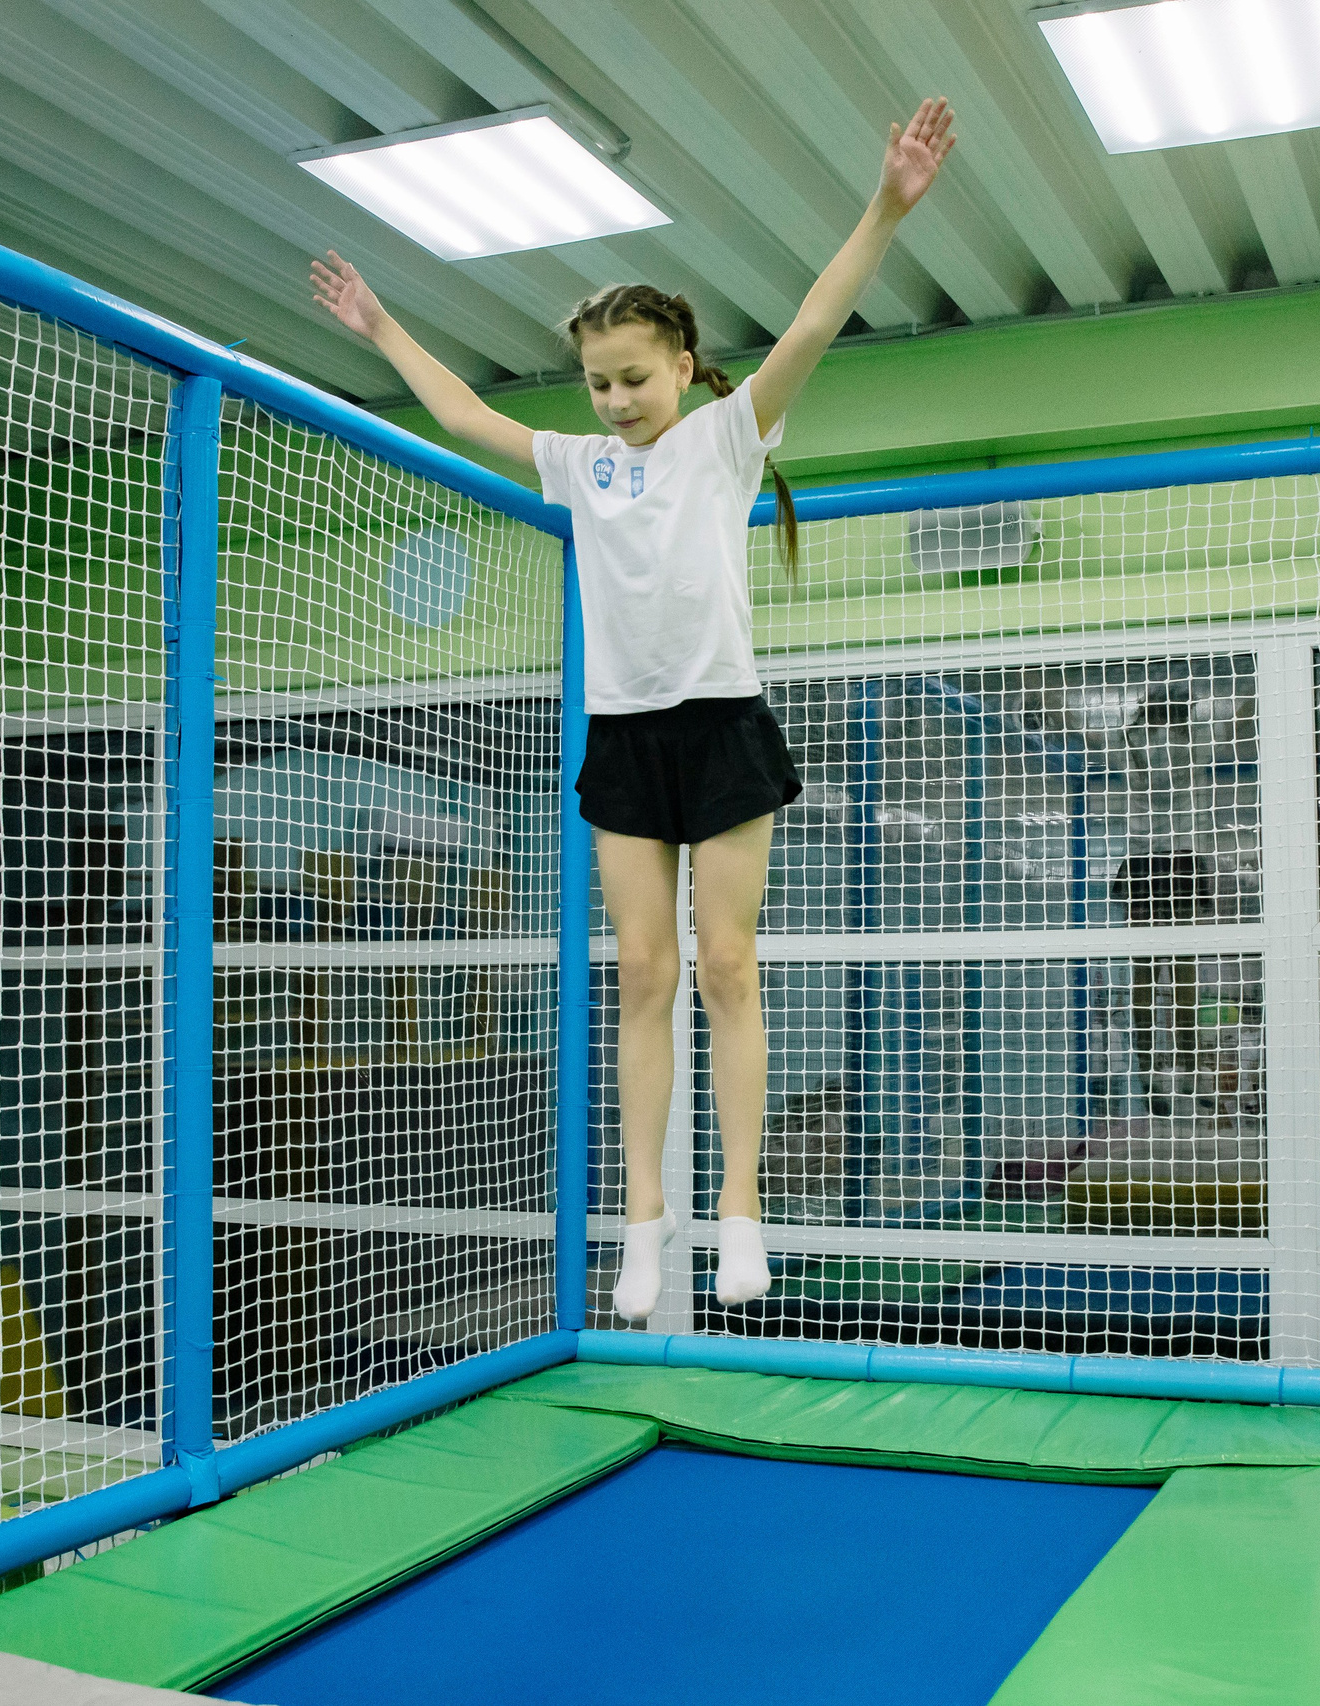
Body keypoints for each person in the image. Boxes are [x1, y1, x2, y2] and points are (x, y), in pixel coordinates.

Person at [310, 100, 959, 1323]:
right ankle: (645, 1220)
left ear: (680, 365)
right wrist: (382, 324)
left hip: (718, 726)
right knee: (644, 976)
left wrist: (886, 204)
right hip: (622, 732)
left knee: (727, 967)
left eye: (632, 378)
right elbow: (465, 415)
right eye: (597, 383)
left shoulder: (726, 437)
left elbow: (815, 319)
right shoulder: (579, 462)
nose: (612, 400)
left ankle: (743, 1209)